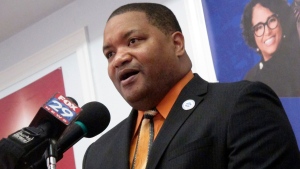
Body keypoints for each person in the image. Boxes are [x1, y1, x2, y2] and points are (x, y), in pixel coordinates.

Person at [83, 3, 300, 169]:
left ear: (177, 44)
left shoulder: (240, 105)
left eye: (133, 41)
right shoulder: (97, 154)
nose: (118, 59)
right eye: (109, 54)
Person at [241, 0, 300, 97]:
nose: (267, 31)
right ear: (252, 36)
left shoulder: (296, 63)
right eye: (259, 27)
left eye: (272, 20)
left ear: (281, 21)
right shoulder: (251, 79)